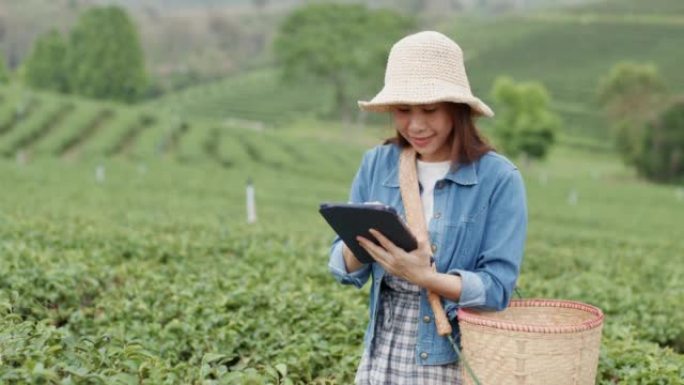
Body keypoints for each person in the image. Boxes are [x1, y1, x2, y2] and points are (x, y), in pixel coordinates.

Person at [327, 31, 528, 385]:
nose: (416, 125)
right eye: (403, 110)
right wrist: (361, 241)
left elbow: (497, 289)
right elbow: (342, 269)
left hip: (451, 354)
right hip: (382, 352)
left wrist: (426, 277)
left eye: (430, 110)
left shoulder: (499, 179)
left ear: (457, 110)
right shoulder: (377, 164)